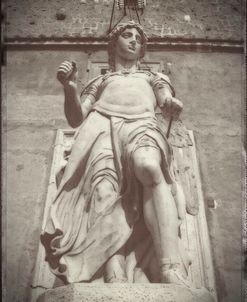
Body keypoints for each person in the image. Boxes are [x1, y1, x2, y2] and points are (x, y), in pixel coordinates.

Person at [41, 21, 190, 285]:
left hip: (141, 124)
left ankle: (170, 265)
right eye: (127, 35)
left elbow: (164, 97)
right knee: (103, 193)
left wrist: (169, 104)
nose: (134, 40)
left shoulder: (152, 77)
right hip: (101, 127)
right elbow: (76, 118)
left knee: (148, 166)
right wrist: (70, 88)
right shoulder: (102, 80)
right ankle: (114, 271)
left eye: (138, 38)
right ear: (114, 43)